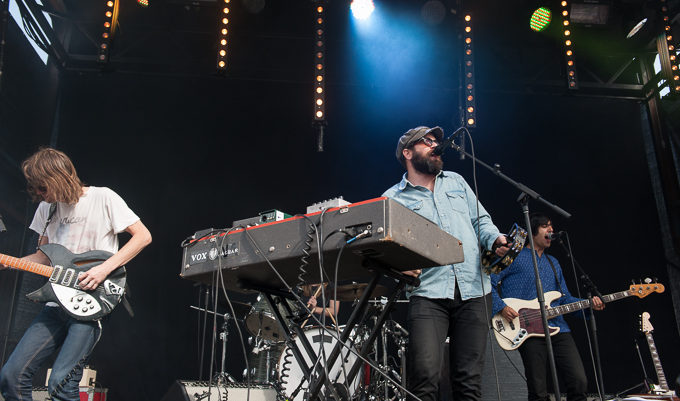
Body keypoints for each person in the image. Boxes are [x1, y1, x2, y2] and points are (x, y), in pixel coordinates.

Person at [0, 148, 152, 401]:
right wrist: (8, 262)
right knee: (11, 376)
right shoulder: (46, 209)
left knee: (61, 383)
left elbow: (143, 236)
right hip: (55, 303)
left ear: (58, 177)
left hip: (91, 303)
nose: (40, 194)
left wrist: (103, 269)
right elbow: (43, 257)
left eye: (43, 188)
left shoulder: (103, 197)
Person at [382, 126, 510, 401]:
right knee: (424, 379)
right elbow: (383, 250)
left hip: (474, 290)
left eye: (436, 141)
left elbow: (480, 220)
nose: (435, 145)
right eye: (427, 141)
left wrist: (495, 239)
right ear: (407, 153)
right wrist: (398, 266)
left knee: (469, 383)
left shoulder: (456, 182)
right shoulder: (392, 198)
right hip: (428, 293)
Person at [490, 213, 604, 401]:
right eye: (545, 226)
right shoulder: (513, 256)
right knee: (538, 389)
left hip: (558, 327)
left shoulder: (554, 263)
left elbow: (564, 298)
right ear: (532, 232)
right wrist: (501, 307)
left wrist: (588, 305)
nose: (551, 230)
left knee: (578, 381)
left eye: (551, 226)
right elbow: (489, 283)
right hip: (527, 328)